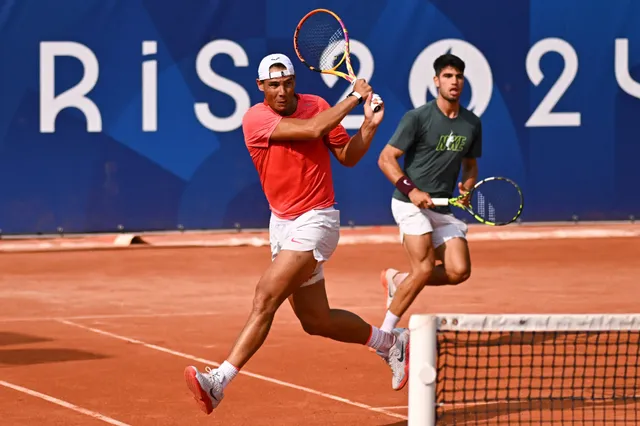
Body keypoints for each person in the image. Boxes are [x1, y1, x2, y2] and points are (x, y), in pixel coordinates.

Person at [184, 53, 410, 415]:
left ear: (294, 81)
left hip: (317, 220)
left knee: (265, 296)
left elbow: (347, 156)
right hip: (282, 224)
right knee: (315, 320)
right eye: (273, 85)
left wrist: (368, 126)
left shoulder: (317, 105)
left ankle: (219, 382)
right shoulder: (255, 119)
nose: (282, 91)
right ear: (261, 88)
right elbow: (311, 130)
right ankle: (390, 342)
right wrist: (354, 97)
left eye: (287, 82)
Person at [376, 53, 482, 333]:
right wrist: (411, 191)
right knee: (423, 268)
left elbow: (470, 165)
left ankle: (398, 280)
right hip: (408, 203)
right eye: (448, 76)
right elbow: (386, 158)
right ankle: (385, 334)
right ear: (436, 81)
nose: (454, 81)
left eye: (458, 76)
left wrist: (467, 186)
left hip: (442, 207)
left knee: (459, 271)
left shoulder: (471, 124)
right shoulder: (417, 118)